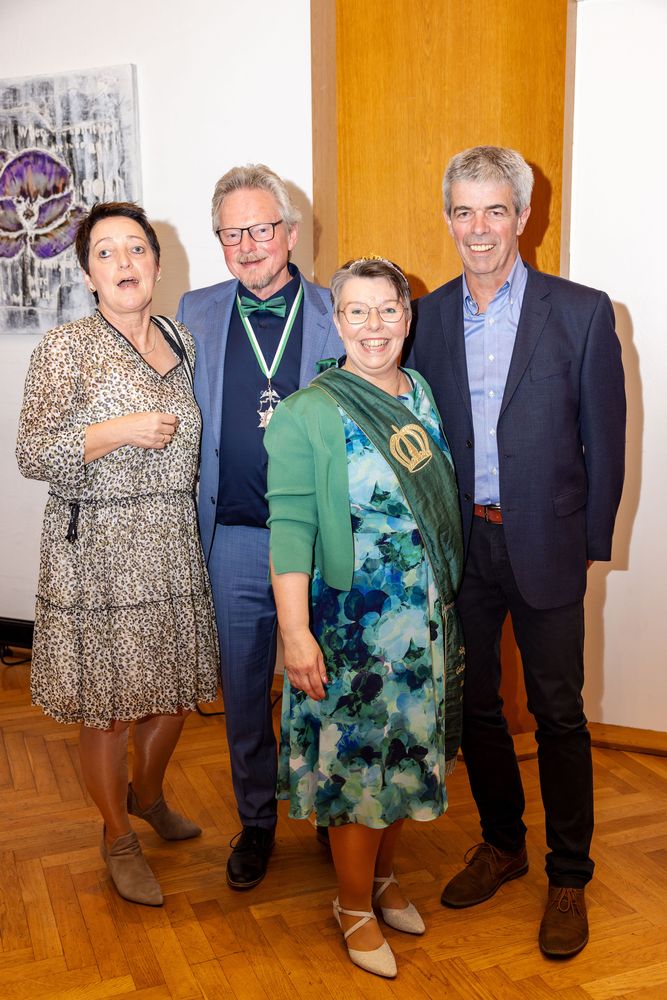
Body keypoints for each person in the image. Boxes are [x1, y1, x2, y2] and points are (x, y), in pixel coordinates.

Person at [407, 145, 626, 958]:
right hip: (461, 547)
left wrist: (586, 546)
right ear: (447, 219)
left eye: (494, 210)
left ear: (523, 217)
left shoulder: (581, 312)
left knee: (557, 712)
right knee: (473, 707)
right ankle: (502, 844)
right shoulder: (424, 318)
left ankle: (568, 874)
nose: (478, 228)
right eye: (463, 211)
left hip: (545, 544)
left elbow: (606, 443)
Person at [264, 257, 465, 978]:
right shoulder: (308, 412)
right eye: (357, 311)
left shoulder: (421, 392)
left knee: (404, 757)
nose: (373, 326)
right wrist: (295, 634)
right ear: (337, 319)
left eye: (387, 310)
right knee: (357, 772)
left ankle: (380, 880)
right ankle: (351, 906)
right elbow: (290, 531)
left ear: (407, 318)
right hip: (351, 627)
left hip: (420, 624)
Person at [16, 201, 220, 907]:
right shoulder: (64, 349)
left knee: (174, 693)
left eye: (136, 248)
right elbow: (31, 453)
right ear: (87, 274)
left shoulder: (182, 340)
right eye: (105, 252)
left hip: (171, 540)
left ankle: (148, 795)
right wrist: (115, 431)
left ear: (157, 265)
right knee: (107, 707)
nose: (124, 262)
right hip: (98, 548)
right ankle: (117, 835)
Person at [176, 164, 338, 890]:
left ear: (290, 233)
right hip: (235, 537)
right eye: (231, 233)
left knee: (326, 684)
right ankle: (257, 822)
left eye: (261, 228)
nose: (247, 245)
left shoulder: (337, 311)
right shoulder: (196, 311)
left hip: (321, 539)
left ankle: (335, 814)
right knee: (243, 694)